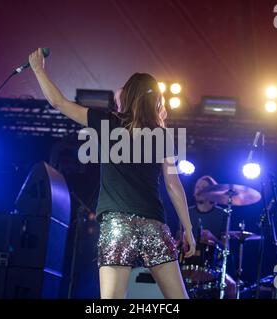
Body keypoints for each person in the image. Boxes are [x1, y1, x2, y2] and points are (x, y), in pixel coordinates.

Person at [28, 48, 196, 299]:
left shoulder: (106, 122)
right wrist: (188, 230)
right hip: (153, 224)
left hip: (116, 224)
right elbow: (173, 185)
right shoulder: (163, 135)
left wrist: (39, 70)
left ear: (128, 95)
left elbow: (59, 102)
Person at [179, 175, 236, 298]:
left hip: (212, 268)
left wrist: (213, 239)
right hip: (186, 265)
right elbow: (177, 242)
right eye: (197, 187)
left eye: (203, 187)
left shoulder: (223, 215)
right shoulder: (186, 212)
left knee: (231, 286)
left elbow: (226, 248)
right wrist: (181, 240)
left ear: (213, 192)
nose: (198, 190)